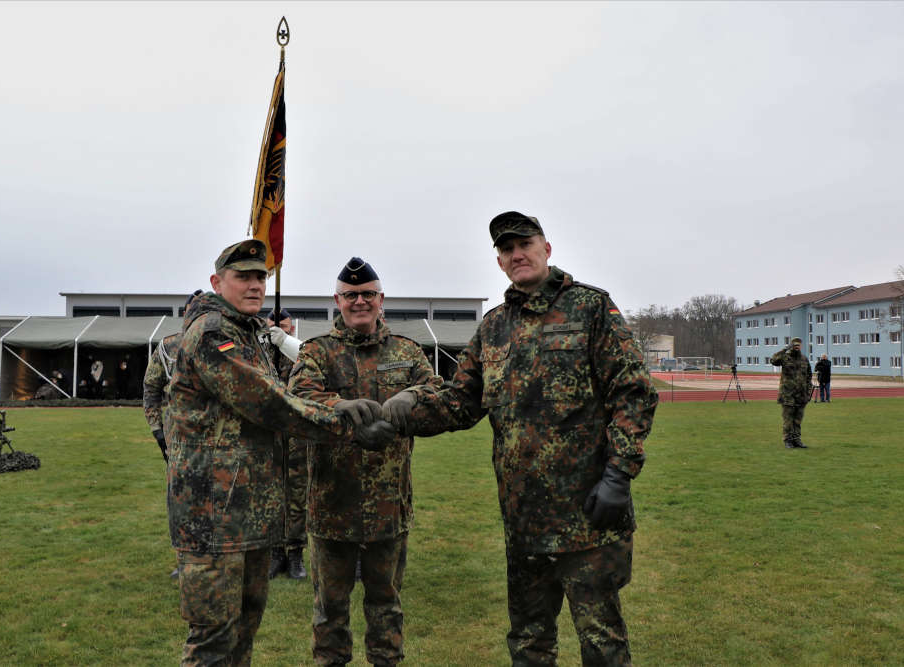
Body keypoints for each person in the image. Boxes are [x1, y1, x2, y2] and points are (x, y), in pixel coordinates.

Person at [382, 212, 659, 666]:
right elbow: (461, 402)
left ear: (546, 249)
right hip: (524, 519)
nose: (517, 254)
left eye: (524, 244)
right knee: (529, 643)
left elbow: (633, 390)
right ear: (499, 263)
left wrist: (619, 473)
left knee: (602, 643)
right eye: (507, 249)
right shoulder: (493, 327)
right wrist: (402, 414)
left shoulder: (590, 307)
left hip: (588, 513)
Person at [164, 240, 395, 666]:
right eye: (243, 277)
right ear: (217, 282)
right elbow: (270, 402)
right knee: (213, 637)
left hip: (246, 512)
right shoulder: (212, 333)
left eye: (260, 277)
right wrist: (343, 420)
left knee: (243, 629)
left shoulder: (247, 333)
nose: (255, 286)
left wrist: (332, 406)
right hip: (212, 516)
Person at [286, 257, 444, 667]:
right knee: (329, 613)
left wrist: (414, 397)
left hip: (389, 508)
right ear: (336, 300)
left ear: (381, 299)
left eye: (367, 294)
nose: (360, 301)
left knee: (386, 606)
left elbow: (437, 394)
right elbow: (297, 400)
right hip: (332, 507)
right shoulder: (317, 352)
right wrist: (343, 411)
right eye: (351, 295)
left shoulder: (407, 351)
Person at [264, 308, 309, 581]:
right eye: (273, 324)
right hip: (268, 434)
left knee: (296, 497)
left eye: (284, 325)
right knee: (271, 495)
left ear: (291, 327)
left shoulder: (300, 349)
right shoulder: (258, 351)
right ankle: (275, 552)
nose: (279, 328)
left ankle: (295, 555)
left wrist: (284, 342)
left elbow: (309, 358)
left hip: (296, 435)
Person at [143, 290, 203, 464]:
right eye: (193, 310)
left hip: (216, 438)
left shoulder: (224, 345)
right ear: (185, 313)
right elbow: (151, 388)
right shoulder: (168, 347)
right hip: (178, 436)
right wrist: (157, 430)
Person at [769, 337, 812, 448]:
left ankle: (797, 440)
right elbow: (773, 360)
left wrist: (808, 393)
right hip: (787, 395)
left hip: (801, 395)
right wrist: (784, 349)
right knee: (788, 420)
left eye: (798, 345)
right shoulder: (785, 358)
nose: (797, 347)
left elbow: (809, 377)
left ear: (801, 346)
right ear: (791, 346)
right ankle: (788, 440)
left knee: (798, 420)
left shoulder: (804, 359)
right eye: (794, 345)